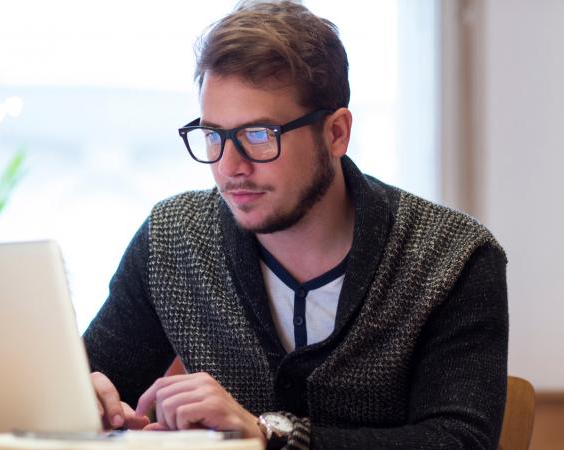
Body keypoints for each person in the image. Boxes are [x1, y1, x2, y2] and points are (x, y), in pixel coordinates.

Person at [81, 1, 509, 449]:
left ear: (336, 133)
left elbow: (459, 441)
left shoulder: (452, 257)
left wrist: (269, 434)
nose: (230, 167)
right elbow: (95, 381)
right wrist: (85, 402)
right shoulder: (173, 240)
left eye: (259, 135)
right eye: (213, 136)